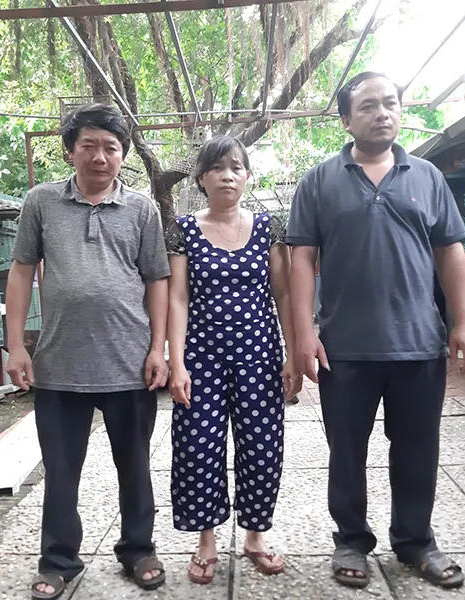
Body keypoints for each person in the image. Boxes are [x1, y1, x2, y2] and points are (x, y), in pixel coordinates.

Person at [287, 72, 465, 590]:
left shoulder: (427, 176)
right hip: (344, 347)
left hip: (419, 343)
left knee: (417, 448)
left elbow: (450, 250)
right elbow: (301, 259)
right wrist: (303, 334)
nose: (382, 113)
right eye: (368, 106)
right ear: (346, 120)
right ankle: (351, 539)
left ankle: (416, 541)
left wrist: (464, 323)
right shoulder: (319, 181)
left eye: (390, 104)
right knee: (346, 450)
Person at [5, 104, 170, 599]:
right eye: (89, 146)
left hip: (129, 363)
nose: (100, 157)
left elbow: (157, 279)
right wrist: (16, 345)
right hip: (59, 364)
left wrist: (158, 348)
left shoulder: (142, 208)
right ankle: (58, 561)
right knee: (60, 472)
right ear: (70, 151)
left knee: (135, 466)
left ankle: (139, 549)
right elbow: (21, 271)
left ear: (123, 155)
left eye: (111, 148)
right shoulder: (41, 201)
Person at [166, 136, 302, 584]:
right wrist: (176, 361)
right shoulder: (183, 230)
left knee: (262, 446)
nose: (227, 175)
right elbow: (178, 298)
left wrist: (290, 354)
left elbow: (283, 294)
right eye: (217, 168)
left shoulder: (267, 228)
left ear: (247, 176)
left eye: (236, 167)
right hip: (200, 357)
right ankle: (205, 542)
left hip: (259, 355)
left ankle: (255, 537)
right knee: (197, 447)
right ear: (201, 178)